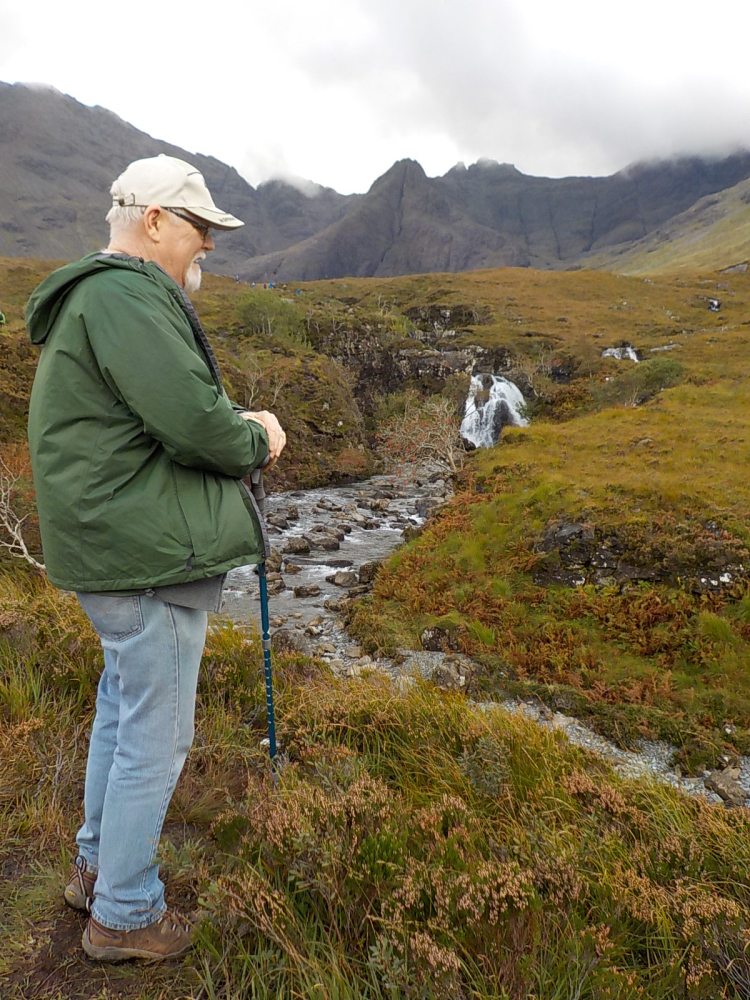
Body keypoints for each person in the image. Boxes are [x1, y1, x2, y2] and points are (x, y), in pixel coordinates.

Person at [26, 154, 286, 962]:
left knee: (122, 709)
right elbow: (196, 426)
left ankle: (95, 869)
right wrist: (258, 438)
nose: (206, 245)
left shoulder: (99, 297)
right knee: (154, 735)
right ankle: (126, 915)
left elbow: (155, 410)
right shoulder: (127, 297)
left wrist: (218, 416)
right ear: (154, 222)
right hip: (145, 556)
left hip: (109, 546)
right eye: (199, 229)